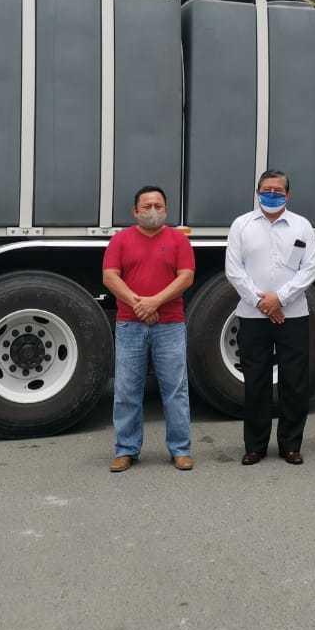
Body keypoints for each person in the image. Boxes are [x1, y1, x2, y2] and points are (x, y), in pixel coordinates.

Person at [225, 170, 315, 466]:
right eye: (267, 189)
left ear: (288, 195)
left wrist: (280, 299)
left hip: (294, 315)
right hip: (252, 316)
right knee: (256, 382)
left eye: (278, 190)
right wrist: (261, 302)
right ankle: (255, 446)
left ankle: (291, 445)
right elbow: (234, 270)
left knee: (295, 382)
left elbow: (309, 270)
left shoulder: (302, 226)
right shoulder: (241, 225)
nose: (272, 194)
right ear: (257, 192)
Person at [102, 185, 196, 473]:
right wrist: (140, 305)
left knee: (175, 390)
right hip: (130, 324)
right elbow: (110, 277)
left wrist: (155, 302)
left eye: (158, 206)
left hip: (170, 325)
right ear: (135, 211)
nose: (153, 211)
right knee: (126, 390)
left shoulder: (179, 240)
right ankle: (126, 449)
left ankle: (181, 450)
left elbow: (186, 277)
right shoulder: (120, 240)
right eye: (146, 206)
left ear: (166, 209)